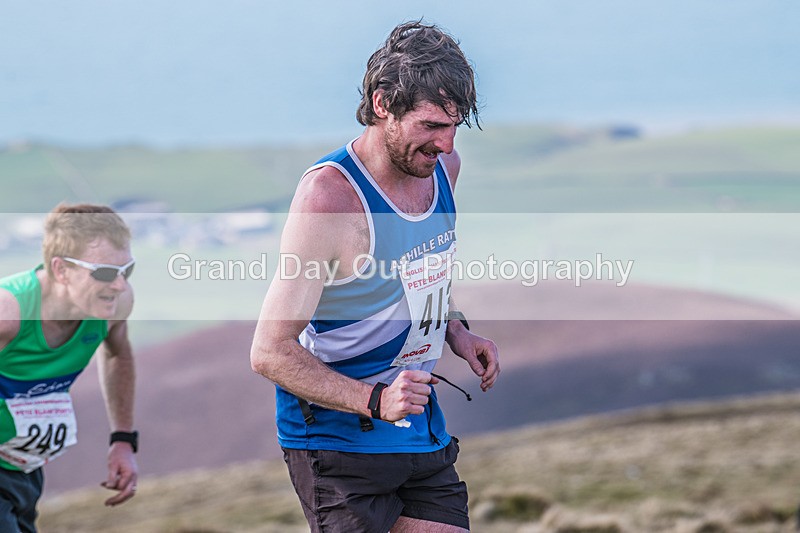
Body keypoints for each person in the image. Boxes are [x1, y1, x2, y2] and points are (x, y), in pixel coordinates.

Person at [250, 21, 499, 532]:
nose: (446, 143)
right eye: (432, 125)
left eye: (455, 125)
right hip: (338, 444)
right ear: (383, 103)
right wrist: (374, 400)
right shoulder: (330, 199)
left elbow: (420, 274)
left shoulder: (442, 171)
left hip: (417, 428)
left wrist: (454, 328)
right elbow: (269, 351)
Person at [0, 204, 139, 532]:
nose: (119, 285)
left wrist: (123, 440)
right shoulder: (9, 315)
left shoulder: (114, 305)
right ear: (61, 270)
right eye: (104, 273)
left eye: (126, 271)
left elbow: (118, 355)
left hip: (23, 467)